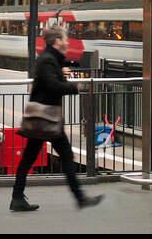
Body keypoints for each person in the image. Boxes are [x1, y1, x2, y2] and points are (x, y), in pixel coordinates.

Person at [11, 24, 103, 212]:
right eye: (65, 39)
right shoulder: (47, 60)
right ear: (57, 41)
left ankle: (17, 197)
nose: (68, 42)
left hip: (46, 118)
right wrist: (75, 87)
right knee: (64, 156)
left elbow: (49, 81)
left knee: (29, 158)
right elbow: (52, 85)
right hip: (45, 118)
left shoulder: (51, 60)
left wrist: (61, 74)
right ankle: (79, 198)